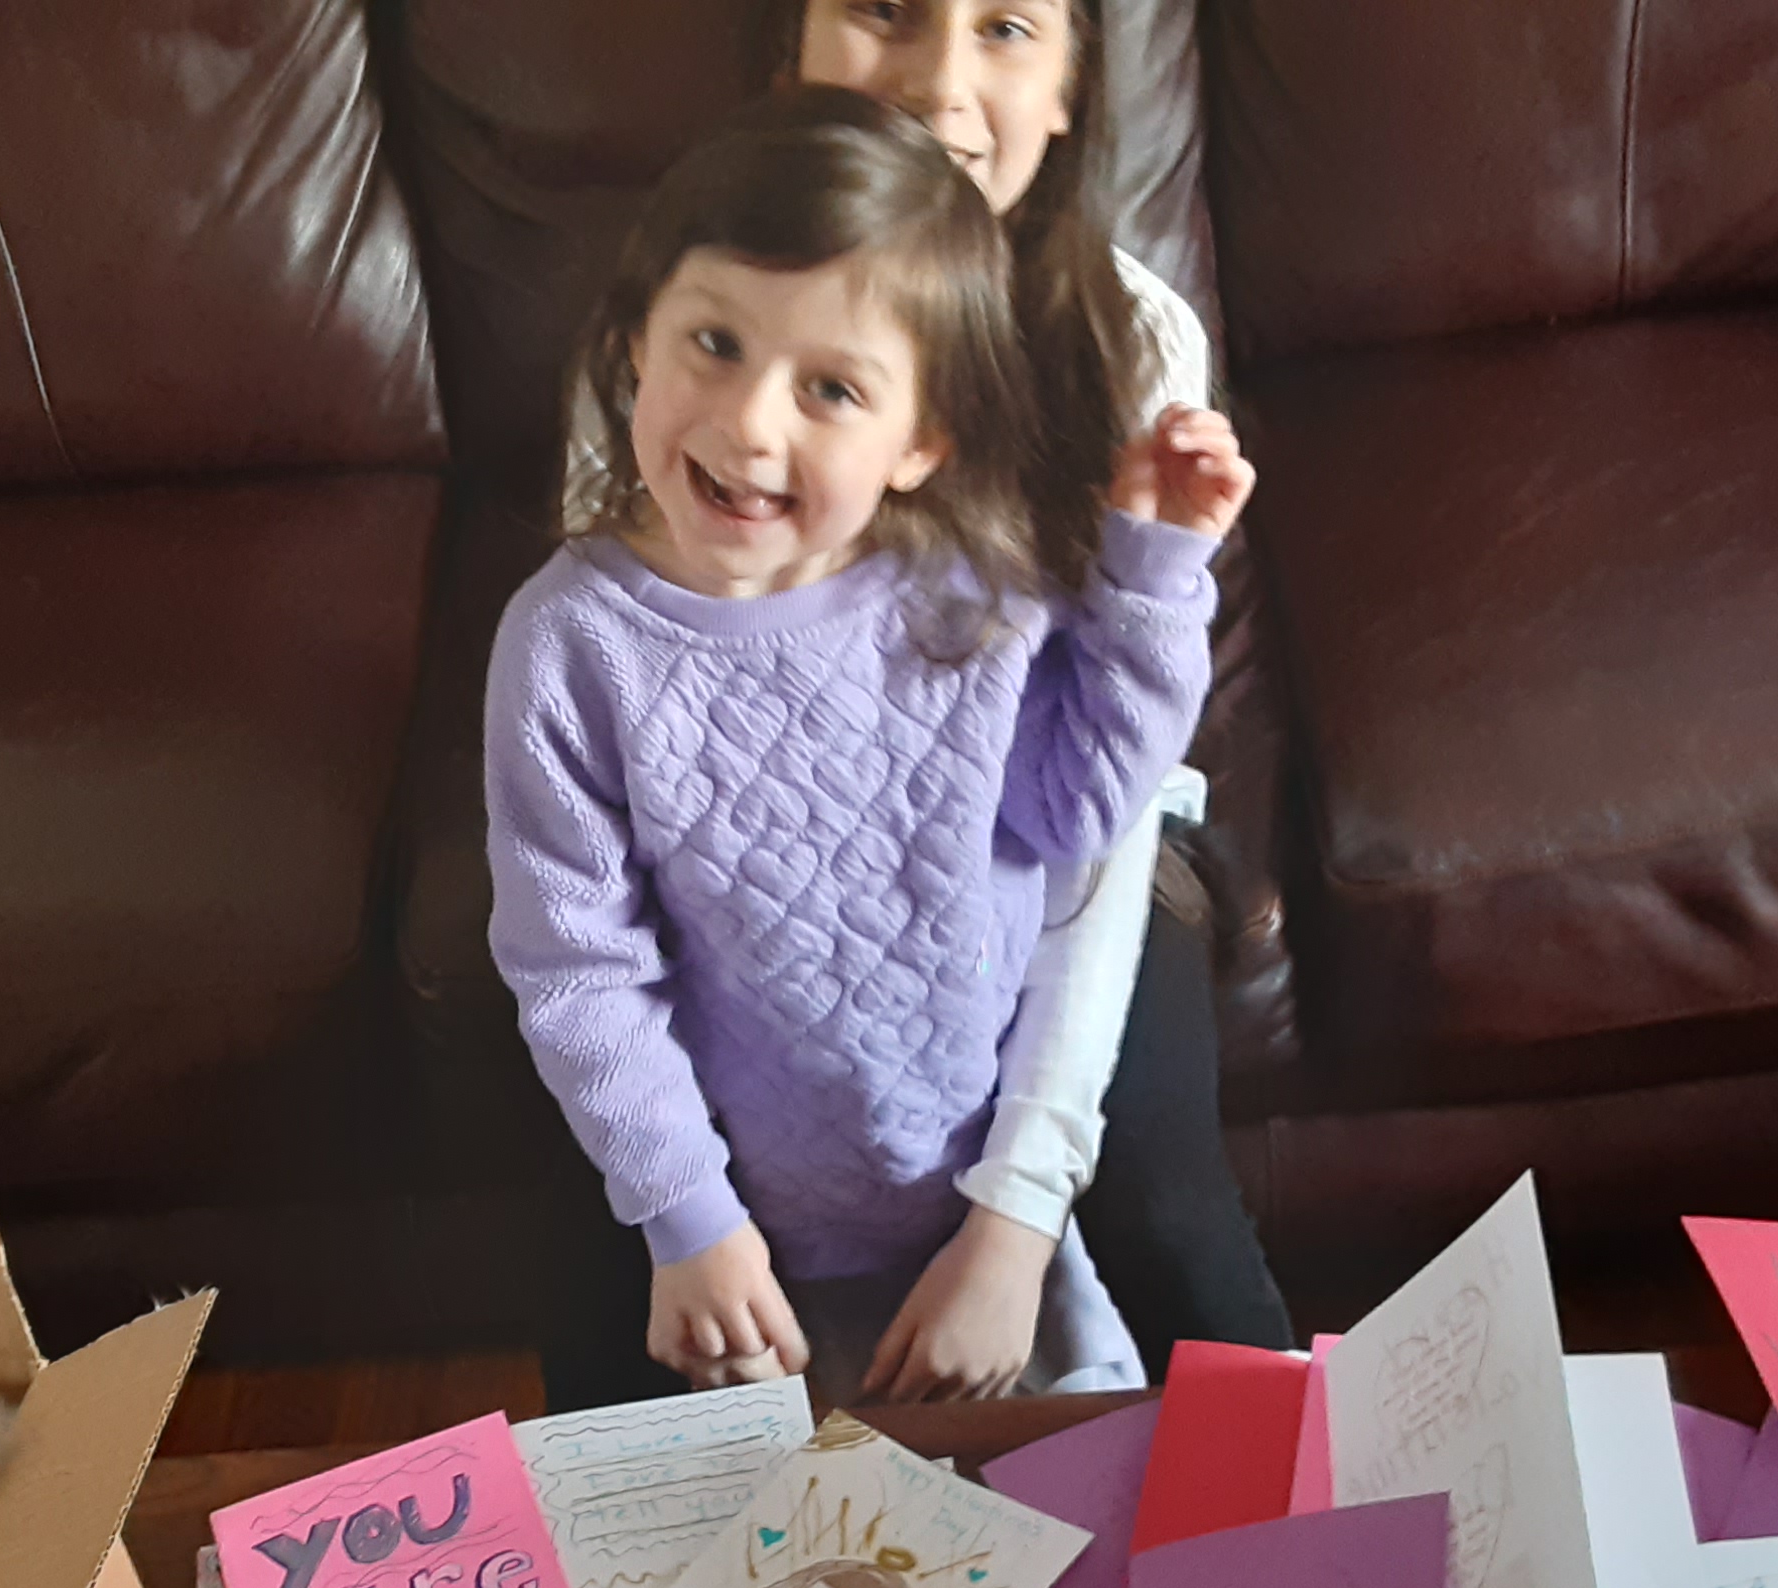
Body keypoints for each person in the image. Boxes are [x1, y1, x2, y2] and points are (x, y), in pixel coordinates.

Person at [491, 89, 1250, 1403]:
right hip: (744, 1233)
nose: (751, 424)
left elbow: (1080, 810)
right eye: (714, 344)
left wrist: (1153, 577)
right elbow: (578, 967)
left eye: (832, 389)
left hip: (980, 1203)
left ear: (922, 442)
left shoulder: (979, 595)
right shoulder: (571, 646)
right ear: (632, 346)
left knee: (1056, 1495)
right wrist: (688, 1217)